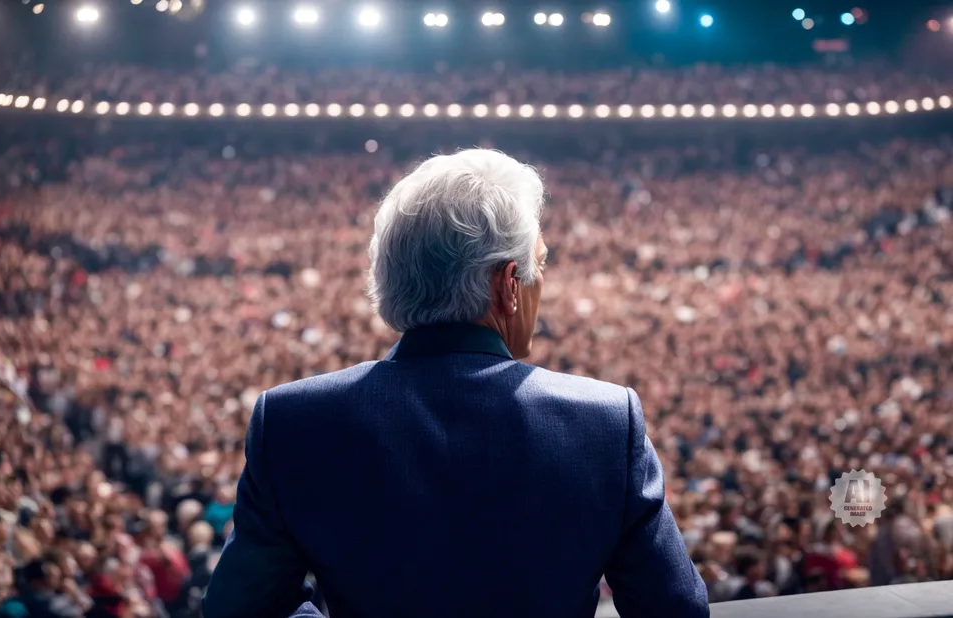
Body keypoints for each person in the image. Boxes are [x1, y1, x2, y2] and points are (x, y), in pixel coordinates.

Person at [202, 149, 708, 618]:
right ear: (509, 285)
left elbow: (238, 611)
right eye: (540, 264)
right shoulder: (603, 422)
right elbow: (676, 610)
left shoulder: (294, 421)